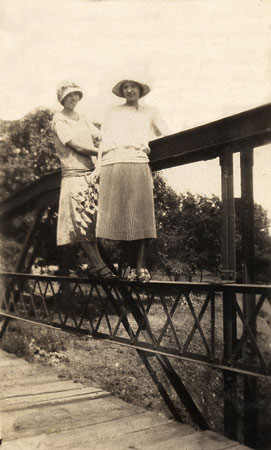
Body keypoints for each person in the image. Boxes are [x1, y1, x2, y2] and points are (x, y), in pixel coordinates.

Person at [96, 76, 169, 282]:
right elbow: (103, 139)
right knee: (120, 219)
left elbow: (166, 135)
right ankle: (128, 266)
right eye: (125, 87)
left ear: (140, 89)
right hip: (113, 163)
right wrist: (98, 166)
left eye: (133, 86)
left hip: (137, 161)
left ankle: (141, 265)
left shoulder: (150, 111)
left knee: (142, 214)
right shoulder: (113, 111)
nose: (129, 90)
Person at [52, 80, 115, 278]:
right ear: (62, 98)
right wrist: (101, 151)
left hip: (89, 173)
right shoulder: (59, 119)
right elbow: (77, 146)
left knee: (90, 222)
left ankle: (95, 264)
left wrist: (109, 142)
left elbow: (99, 136)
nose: (73, 98)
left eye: (75, 94)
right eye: (69, 95)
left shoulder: (83, 117)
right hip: (73, 173)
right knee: (81, 221)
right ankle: (99, 265)